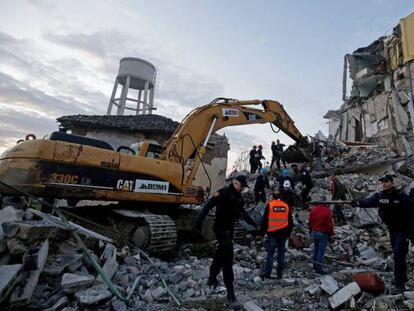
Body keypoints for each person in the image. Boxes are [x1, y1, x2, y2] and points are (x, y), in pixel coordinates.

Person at [192, 175, 258, 307]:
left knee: (221, 253)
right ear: (235, 183)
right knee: (228, 258)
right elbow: (207, 206)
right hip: (220, 229)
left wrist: (254, 225)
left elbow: (243, 213)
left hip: (230, 230)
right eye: (242, 186)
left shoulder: (238, 197)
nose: (243, 188)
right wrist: (197, 225)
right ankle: (231, 294)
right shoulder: (223, 193)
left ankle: (211, 278)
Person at [352, 175, 414, 292]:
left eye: (386, 181)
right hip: (392, 230)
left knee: (398, 254)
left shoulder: (401, 196)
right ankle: (400, 278)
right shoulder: (380, 196)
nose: (384, 184)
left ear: (392, 183)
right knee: (397, 256)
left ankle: (400, 284)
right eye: (382, 182)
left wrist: (412, 233)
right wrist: (358, 203)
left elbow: (411, 214)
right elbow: (368, 202)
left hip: (403, 230)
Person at [259, 191, 293, 279]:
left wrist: (261, 233)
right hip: (283, 234)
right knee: (281, 253)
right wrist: (288, 233)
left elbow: (265, 220)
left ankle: (267, 273)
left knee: (270, 254)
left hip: (272, 233)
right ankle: (279, 273)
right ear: (281, 196)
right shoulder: (286, 206)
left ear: (273, 196)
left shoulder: (270, 205)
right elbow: (290, 221)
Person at [308, 195, 335, 275]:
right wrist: (332, 234)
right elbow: (329, 225)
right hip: (323, 233)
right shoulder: (327, 211)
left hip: (315, 231)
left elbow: (310, 222)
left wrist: (310, 230)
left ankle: (315, 265)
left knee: (316, 249)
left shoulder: (314, 210)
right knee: (321, 251)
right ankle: (318, 268)